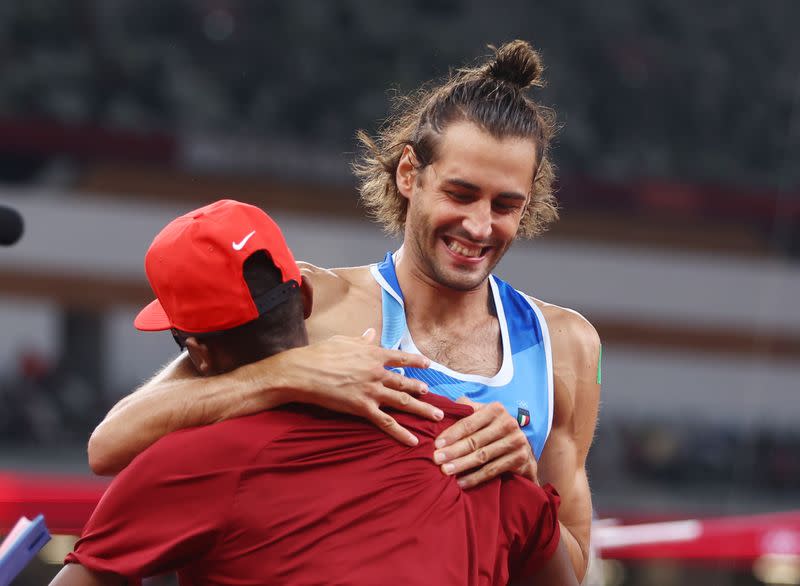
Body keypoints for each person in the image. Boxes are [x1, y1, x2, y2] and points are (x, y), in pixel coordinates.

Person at [88, 40, 601, 581]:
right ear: (409, 174)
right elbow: (113, 443)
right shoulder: (311, 303)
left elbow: (571, 568)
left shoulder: (564, 346)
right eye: (460, 194)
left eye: (504, 205)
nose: (478, 226)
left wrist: (524, 481)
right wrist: (280, 371)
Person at [51, 200, 578, 586]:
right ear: (303, 296)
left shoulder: (191, 461)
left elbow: (103, 460)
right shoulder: (472, 443)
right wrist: (522, 478)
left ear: (199, 353)